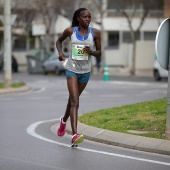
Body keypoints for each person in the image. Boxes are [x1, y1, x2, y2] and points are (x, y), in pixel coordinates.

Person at [56, 8, 101, 147]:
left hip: (86, 72)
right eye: (85, 17)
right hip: (72, 70)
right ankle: (75, 134)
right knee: (75, 101)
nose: (88, 19)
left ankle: (63, 121)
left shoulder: (95, 33)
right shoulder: (70, 31)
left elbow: (99, 53)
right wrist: (61, 53)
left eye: (89, 17)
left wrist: (91, 52)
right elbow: (59, 41)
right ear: (78, 18)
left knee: (72, 100)